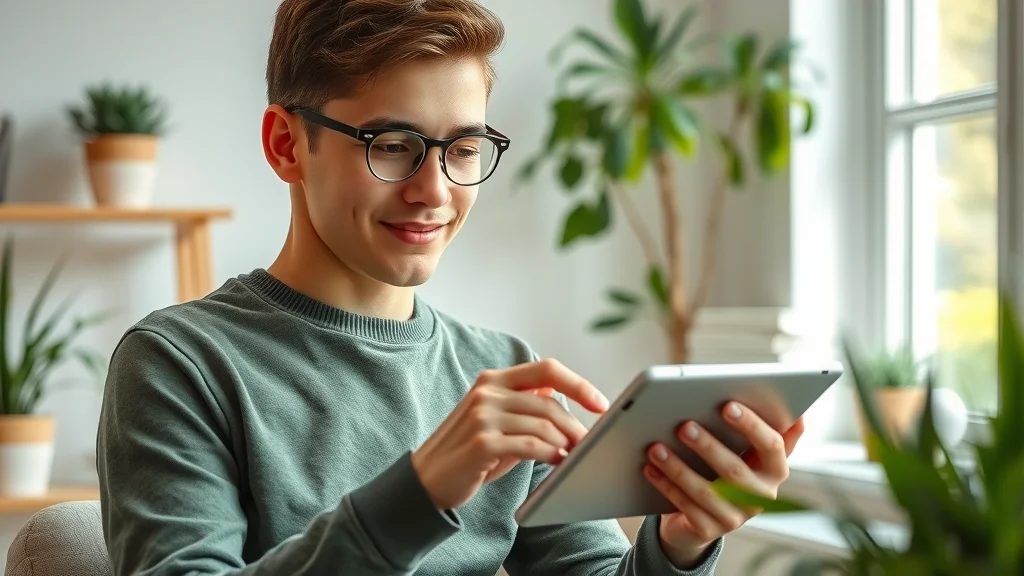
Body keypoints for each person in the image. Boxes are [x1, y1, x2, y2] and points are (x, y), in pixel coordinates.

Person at [95, 0, 806, 574]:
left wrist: (678, 544)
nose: (434, 191)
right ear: (287, 145)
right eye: (393, 146)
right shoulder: (178, 363)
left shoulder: (503, 371)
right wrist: (421, 489)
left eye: (463, 149)